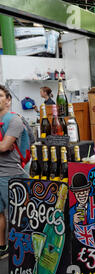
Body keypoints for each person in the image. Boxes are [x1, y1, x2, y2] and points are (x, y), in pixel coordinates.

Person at [0, 85, 29, 259]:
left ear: (8, 100)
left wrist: (4, 145)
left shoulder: (15, 120)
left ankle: (22, 254)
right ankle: (2, 247)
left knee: (16, 217)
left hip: (11, 175)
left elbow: (4, 147)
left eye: (0, 95)